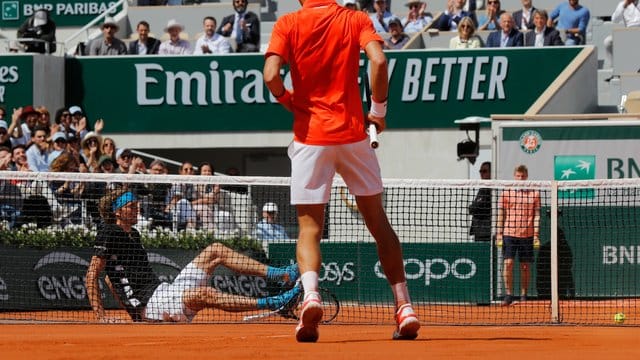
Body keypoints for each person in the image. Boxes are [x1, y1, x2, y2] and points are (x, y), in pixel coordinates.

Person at [264, 0, 420, 342]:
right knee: (378, 223)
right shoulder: (354, 18)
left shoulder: (288, 24)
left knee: (309, 228)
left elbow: (271, 75)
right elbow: (378, 60)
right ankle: (404, 307)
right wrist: (378, 112)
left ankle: (311, 296)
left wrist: (288, 100)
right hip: (353, 136)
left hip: (310, 139)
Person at [85, 188, 301, 323]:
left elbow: (109, 279)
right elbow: (93, 275)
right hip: (151, 305)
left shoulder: (134, 234)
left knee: (216, 250)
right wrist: (104, 316)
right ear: (117, 212)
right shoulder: (109, 231)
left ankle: (282, 276)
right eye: (131, 207)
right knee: (205, 294)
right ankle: (275, 302)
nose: (137, 210)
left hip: (163, 291)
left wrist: (130, 311)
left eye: (137, 206)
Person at [496, 164, 540, 306]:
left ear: (526, 177)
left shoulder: (535, 193)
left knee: (525, 266)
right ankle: (509, 294)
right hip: (509, 233)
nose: (520, 178)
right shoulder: (506, 192)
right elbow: (501, 213)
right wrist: (499, 233)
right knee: (508, 263)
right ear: (514, 176)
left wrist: (536, 234)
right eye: (518, 176)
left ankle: (523, 295)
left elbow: (537, 215)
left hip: (527, 235)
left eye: (523, 176)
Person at [604, 1, 640, 69]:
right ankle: (615, 68)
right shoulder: (622, 4)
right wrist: (624, 6)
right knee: (608, 41)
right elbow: (615, 20)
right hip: (628, 31)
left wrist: (636, 5)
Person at [469, 162, 491, 242]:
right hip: (479, 232)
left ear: (491, 172)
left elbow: (475, 208)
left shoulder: (488, 189)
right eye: (480, 171)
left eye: (484, 171)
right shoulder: (483, 188)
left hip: (485, 233)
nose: (482, 173)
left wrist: (472, 207)